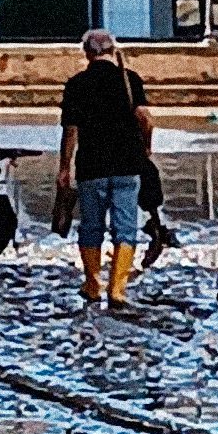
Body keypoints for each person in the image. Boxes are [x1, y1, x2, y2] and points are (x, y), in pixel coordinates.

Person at [58, 29, 154, 305]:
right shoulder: (129, 79)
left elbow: (71, 131)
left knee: (91, 227)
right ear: (112, 52)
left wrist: (64, 168)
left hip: (92, 166)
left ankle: (92, 285)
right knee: (125, 228)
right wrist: (146, 147)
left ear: (87, 53)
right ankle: (117, 290)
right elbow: (146, 119)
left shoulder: (77, 84)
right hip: (127, 164)